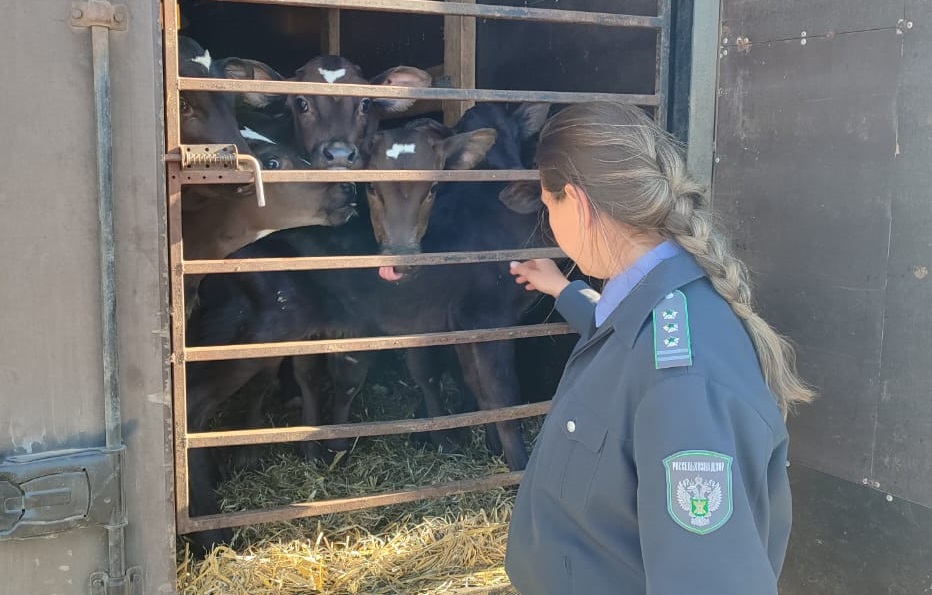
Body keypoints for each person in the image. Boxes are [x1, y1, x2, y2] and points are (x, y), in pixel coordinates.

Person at [504, 102, 814, 595]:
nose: (550, 222)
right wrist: (564, 290)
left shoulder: (685, 384)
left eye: (548, 206)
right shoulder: (659, 305)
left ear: (579, 204)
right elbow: (624, 333)